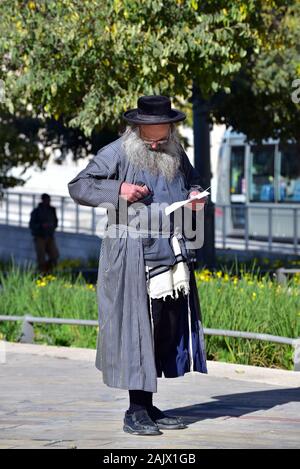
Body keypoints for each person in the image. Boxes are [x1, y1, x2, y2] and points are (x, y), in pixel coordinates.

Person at [68, 95, 208, 436]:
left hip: (169, 250)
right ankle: (135, 411)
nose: (157, 143)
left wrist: (195, 198)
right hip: (131, 254)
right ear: (137, 128)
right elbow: (79, 186)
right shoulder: (116, 152)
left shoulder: (176, 152)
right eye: (151, 137)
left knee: (161, 329)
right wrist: (119, 189)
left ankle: (148, 405)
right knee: (137, 329)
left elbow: (192, 181)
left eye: (163, 136)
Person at [29, 193, 59, 273]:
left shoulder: (52, 210)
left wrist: (51, 226)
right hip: (40, 237)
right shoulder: (36, 211)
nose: (48, 201)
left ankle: (50, 272)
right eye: (46, 200)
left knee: (55, 256)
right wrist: (42, 225)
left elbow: (56, 222)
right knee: (41, 258)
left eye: (49, 200)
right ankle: (42, 273)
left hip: (50, 236)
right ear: (43, 200)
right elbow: (32, 225)